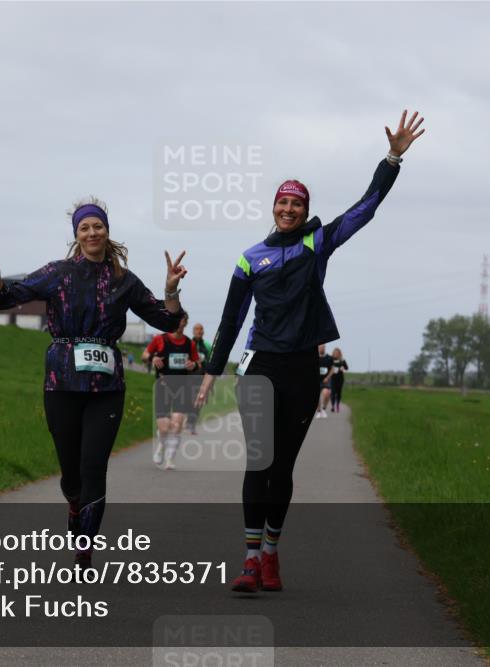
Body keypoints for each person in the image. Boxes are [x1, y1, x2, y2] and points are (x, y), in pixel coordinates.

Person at [195, 110, 425, 593]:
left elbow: (365, 209)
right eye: (282, 202)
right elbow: (231, 320)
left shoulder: (317, 244)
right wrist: (212, 372)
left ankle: (273, 553)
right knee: (259, 461)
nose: (288, 209)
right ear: (272, 207)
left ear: (304, 210)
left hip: (302, 368)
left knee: (283, 469)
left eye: (296, 204)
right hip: (260, 365)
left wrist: (392, 159)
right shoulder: (248, 258)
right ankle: (251, 559)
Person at [0, 198, 187, 567]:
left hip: (107, 389)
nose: (92, 233)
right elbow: (2, 300)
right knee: (71, 472)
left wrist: (170, 290)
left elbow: (168, 322)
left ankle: (85, 546)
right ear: (77, 236)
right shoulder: (58, 273)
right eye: (85, 228)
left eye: (98, 226)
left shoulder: (124, 281)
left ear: (107, 233)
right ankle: (75, 505)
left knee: (94, 465)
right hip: (61, 382)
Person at [142, 314, 200, 470]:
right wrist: (152, 358)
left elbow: (197, 363)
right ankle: (161, 447)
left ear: (186, 323)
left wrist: (192, 365)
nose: (180, 324)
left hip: (182, 386)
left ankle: (170, 460)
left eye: (183, 322)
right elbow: (145, 355)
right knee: (164, 427)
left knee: (176, 425)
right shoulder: (160, 339)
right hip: (163, 385)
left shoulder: (189, 343)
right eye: (177, 321)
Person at [187, 323, 212, 433]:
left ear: (203, 332)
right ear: (193, 331)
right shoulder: (188, 344)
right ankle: (187, 421)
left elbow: (211, 364)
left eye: (201, 329)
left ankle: (192, 423)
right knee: (188, 400)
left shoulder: (207, 346)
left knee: (198, 402)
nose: (199, 331)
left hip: (202, 378)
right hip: (188, 377)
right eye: (197, 329)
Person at [316, 344, 335, 418]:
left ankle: (323, 408)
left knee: (326, 393)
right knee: (316, 396)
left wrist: (327, 377)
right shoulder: (315, 358)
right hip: (316, 380)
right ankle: (318, 411)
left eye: (323, 347)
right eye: (320, 347)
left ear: (325, 348)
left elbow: (332, 369)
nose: (321, 349)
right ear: (317, 348)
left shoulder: (329, 358)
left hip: (325, 380)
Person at [329, 348, 348, 413]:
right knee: (333, 393)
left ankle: (337, 405)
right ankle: (332, 406)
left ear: (339, 354)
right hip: (333, 379)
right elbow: (328, 367)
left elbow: (346, 368)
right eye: (335, 353)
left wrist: (343, 369)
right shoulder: (331, 360)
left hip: (340, 379)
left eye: (337, 353)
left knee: (338, 393)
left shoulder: (342, 361)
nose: (336, 354)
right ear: (333, 353)